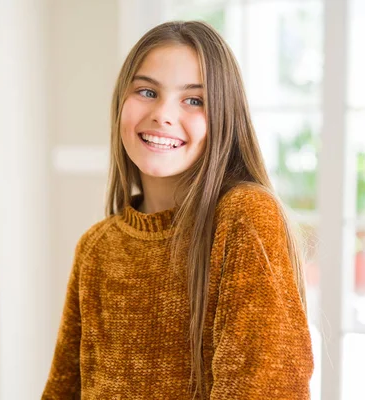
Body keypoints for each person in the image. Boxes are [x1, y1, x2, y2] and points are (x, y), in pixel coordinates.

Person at [42, 20, 314, 400]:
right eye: (147, 91)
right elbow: (63, 391)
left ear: (224, 118)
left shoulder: (245, 217)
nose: (162, 115)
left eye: (193, 100)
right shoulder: (96, 248)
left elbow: (266, 389)